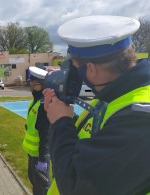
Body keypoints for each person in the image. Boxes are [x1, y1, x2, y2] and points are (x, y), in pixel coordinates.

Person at [43, 15, 150, 195]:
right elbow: (100, 136)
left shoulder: (140, 118)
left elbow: (76, 183)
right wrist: (65, 115)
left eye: (73, 66)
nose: (70, 73)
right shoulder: (112, 95)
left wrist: (60, 122)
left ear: (91, 69)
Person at [23, 66, 51, 195]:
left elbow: (46, 134)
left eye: (34, 83)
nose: (31, 84)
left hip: (39, 155)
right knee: (34, 182)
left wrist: (43, 159)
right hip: (32, 153)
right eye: (31, 82)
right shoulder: (35, 101)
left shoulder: (42, 105)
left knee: (42, 187)